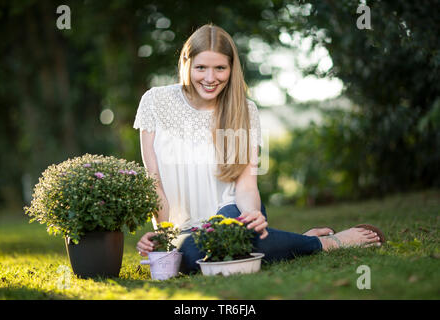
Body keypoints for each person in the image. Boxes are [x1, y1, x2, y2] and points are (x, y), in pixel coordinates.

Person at [134, 24, 384, 274]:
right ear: (187, 64)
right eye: (201, 68)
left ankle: (326, 243)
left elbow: (245, 185)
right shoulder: (155, 102)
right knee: (188, 257)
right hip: (186, 229)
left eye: (220, 68)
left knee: (224, 236)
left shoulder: (244, 109)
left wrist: (252, 214)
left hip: (234, 209)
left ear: (231, 69)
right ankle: (301, 241)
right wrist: (163, 236)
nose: (210, 79)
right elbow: (154, 180)